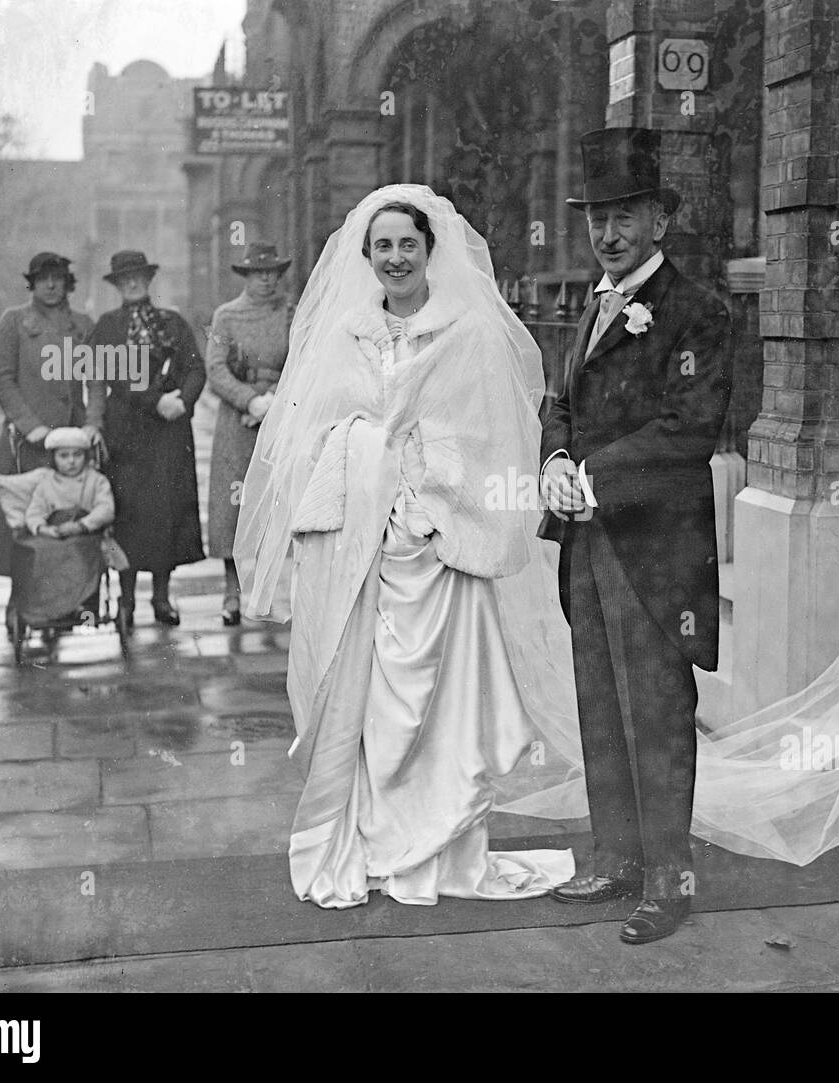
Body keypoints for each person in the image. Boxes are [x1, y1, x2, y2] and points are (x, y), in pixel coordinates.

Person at [235, 185, 576, 909]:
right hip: (365, 548)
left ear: (430, 252)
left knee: (443, 706)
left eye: (408, 245)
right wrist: (369, 458)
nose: (396, 258)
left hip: (441, 545)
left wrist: (422, 478)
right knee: (367, 704)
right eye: (383, 246)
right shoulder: (345, 333)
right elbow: (310, 434)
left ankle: (443, 847)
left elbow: (490, 435)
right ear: (367, 256)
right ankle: (373, 842)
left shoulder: (468, 333)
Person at [540, 128, 734, 944]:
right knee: (598, 701)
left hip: (654, 547)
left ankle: (669, 878)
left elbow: (691, 427)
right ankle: (615, 856)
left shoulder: (699, 311)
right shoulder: (592, 304)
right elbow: (561, 402)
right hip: (589, 541)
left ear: (660, 219)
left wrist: (594, 474)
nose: (608, 234)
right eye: (596, 219)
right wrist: (551, 455)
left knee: (656, 708)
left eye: (625, 216)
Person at [88, 250, 205, 632]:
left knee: (166, 512)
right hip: (125, 437)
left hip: (168, 435)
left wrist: (182, 401)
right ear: (117, 285)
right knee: (127, 515)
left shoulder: (172, 323)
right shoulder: (106, 327)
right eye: (125, 279)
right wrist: (155, 400)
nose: (133, 283)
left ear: (148, 279)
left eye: (138, 276)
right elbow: (114, 377)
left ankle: (161, 596)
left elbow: (194, 368)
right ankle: (127, 600)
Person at [0, 252, 101, 633]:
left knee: (67, 516)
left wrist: (92, 425)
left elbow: (96, 383)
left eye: (58, 278)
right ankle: (18, 598)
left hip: (71, 444)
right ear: (32, 284)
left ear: (68, 283)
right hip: (28, 443)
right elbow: (2, 380)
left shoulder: (83, 326)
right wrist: (33, 428)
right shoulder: (14, 322)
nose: (51, 285)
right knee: (23, 521)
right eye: (43, 279)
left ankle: (66, 598)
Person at [205, 242, 293, 625]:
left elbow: (301, 360)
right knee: (232, 505)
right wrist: (249, 401)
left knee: (275, 504)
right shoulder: (225, 317)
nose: (267, 280)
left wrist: (276, 401)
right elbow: (216, 369)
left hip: (280, 418)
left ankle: (269, 588)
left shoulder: (290, 313)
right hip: (237, 424)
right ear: (246, 277)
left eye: (273, 273)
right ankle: (230, 592)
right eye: (260, 273)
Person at [25, 427, 115, 538]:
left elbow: (106, 509)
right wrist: (43, 529)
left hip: (88, 534)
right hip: (55, 537)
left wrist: (81, 525)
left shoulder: (97, 480)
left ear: (86, 456)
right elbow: (34, 513)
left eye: (77, 455)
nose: (71, 461)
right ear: (53, 458)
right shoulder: (46, 482)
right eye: (63, 456)